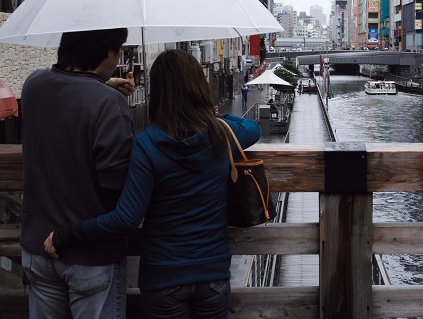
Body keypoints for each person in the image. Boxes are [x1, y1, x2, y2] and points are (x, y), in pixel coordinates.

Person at [45, 49, 262, 318]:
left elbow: (126, 218)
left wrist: (70, 233)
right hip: (213, 276)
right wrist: (213, 117)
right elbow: (254, 129)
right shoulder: (219, 135)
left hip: (164, 277)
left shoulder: (147, 145)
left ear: (159, 92)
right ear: (198, 86)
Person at [21, 28, 135, 318]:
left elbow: (69, 93)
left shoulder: (33, 86)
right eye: (119, 49)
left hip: (37, 248)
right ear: (107, 52)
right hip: (90, 254)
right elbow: (115, 182)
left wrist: (101, 84)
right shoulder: (109, 104)